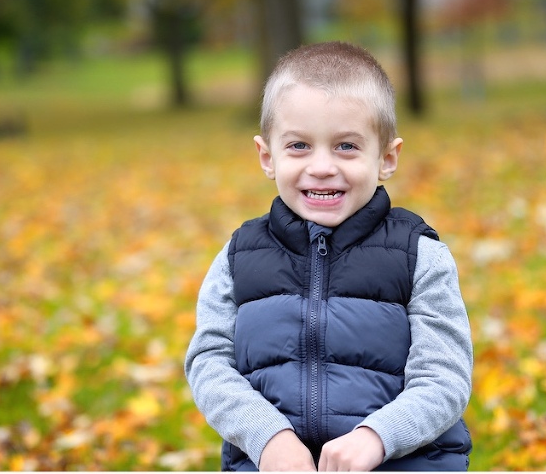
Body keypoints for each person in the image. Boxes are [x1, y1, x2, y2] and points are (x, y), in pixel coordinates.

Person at [185, 41, 473, 471]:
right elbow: (209, 363)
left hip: (402, 461)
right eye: (299, 146)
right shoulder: (238, 257)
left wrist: (377, 438)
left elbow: (445, 378)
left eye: (346, 147)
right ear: (267, 157)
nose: (321, 166)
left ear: (387, 158)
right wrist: (269, 439)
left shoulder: (419, 257)